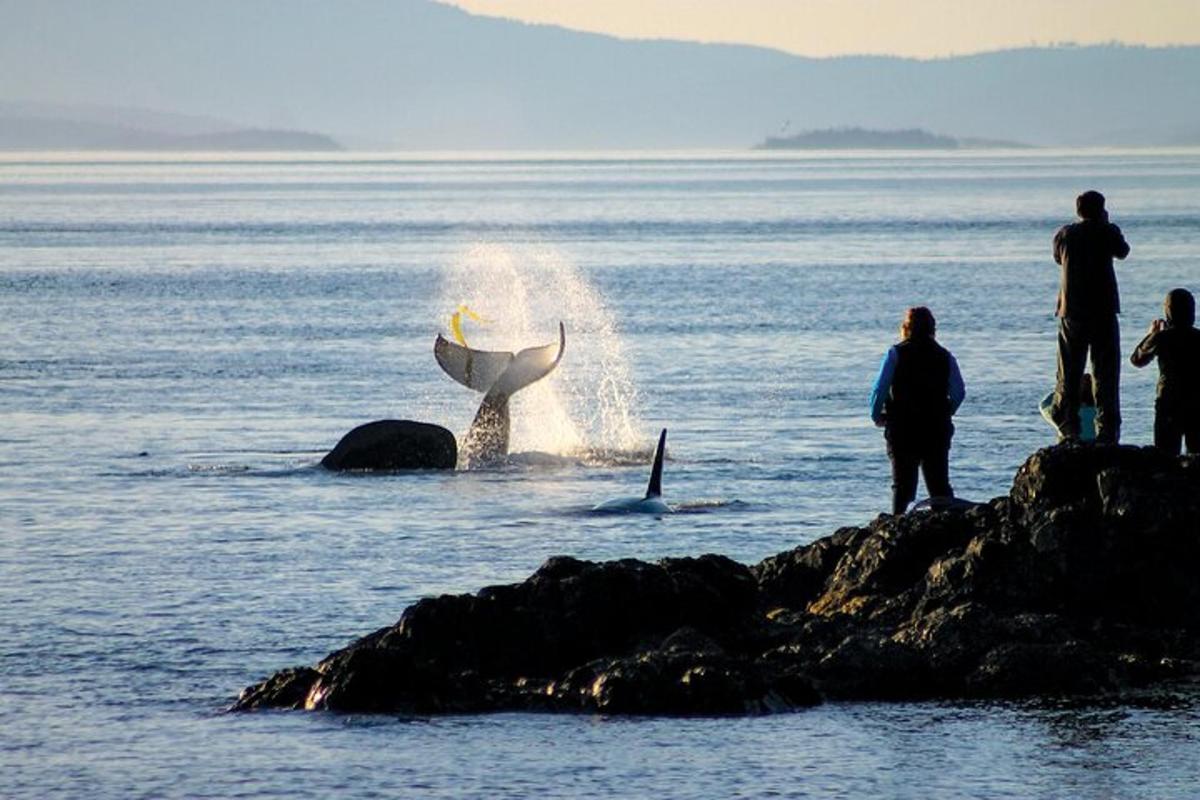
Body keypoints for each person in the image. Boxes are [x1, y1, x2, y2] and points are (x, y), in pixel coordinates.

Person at [1050, 190, 1131, 444]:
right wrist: (1106, 225)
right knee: (1105, 373)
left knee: (1069, 373)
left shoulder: (1064, 234)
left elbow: (1056, 258)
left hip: (1071, 311)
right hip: (1103, 311)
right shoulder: (1107, 232)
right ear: (1101, 210)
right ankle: (1107, 430)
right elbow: (1123, 251)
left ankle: (1068, 427)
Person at [870, 307, 966, 515]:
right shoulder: (945, 356)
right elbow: (958, 392)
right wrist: (946, 411)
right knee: (939, 484)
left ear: (906, 328)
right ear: (933, 329)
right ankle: (948, 529)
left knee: (903, 485)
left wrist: (877, 416)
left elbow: (879, 389)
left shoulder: (895, 354)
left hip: (903, 427)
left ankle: (897, 526)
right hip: (936, 428)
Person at [1130, 288, 1200, 454]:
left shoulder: (1161, 338)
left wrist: (1151, 335)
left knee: (1165, 457)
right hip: (1196, 402)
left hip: (1168, 402)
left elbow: (1137, 360)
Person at [1039, 373, 1097, 442]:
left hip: (1069, 447)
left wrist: (1064, 388)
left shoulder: (1063, 414)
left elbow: (1045, 403)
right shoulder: (1102, 414)